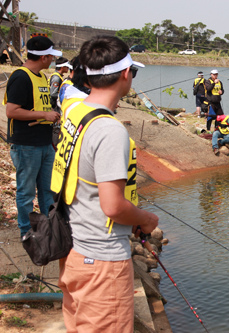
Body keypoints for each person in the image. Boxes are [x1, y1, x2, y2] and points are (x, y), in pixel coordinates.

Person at [52, 36, 159, 332]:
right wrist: (146, 219)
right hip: (101, 261)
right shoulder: (110, 130)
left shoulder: (75, 110)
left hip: (73, 250)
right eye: (133, 72)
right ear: (125, 74)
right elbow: (112, 206)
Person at [3, 36, 62, 238]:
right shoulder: (21, 77)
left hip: (44, 143)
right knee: (26, 192)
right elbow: (11, 111)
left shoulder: (42, 77)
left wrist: (50, 116)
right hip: (26, 144)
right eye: (51, 56)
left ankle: (48, 229)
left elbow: (40, 106)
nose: (53, 60)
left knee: (47, 190)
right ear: (44, 57)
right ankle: (26, 231)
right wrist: (43, 115)